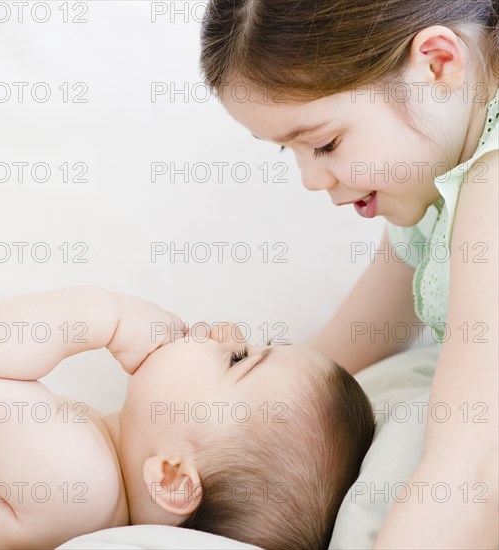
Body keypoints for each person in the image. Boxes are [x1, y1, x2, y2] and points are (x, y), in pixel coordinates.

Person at [199, 0, 499, 547]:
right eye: (290, 152)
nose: (312, 180)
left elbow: (472, 473)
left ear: (437, 64)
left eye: (324, 144)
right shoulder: (438, 182)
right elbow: (340, 353)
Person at [0, 286, 374, 550]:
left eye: (238, 359)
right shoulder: (96, 472)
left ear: (172, 479)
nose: (226, 331)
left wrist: (109, 315)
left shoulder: (79, 483)